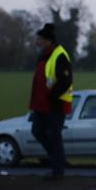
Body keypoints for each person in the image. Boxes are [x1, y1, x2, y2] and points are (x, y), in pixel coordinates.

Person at [29, 23, 74, 179]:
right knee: (37, 131)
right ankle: (58, 159)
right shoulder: (42, 55)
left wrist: (52, 96)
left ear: (48, 40)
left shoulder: (60, 54)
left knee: (55, 136)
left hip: (55, 104)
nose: (37, 42)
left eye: (40, 39)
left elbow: (66, 80)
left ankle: (58, 171)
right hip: (40, 105)